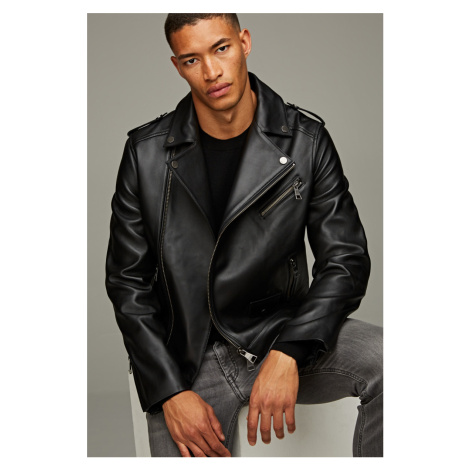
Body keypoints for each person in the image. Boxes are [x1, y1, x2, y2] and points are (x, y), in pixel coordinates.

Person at [105, 13, 383, 458]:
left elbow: (346, 259)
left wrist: (290, 350)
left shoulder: (305, 141)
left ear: (245, 43)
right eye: (192, 59)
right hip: (187, 358)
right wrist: (169, 390)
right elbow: (127, 282)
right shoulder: (146, 154)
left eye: (221, 49)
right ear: (177, 66)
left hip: (280, 333)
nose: (211, 71)